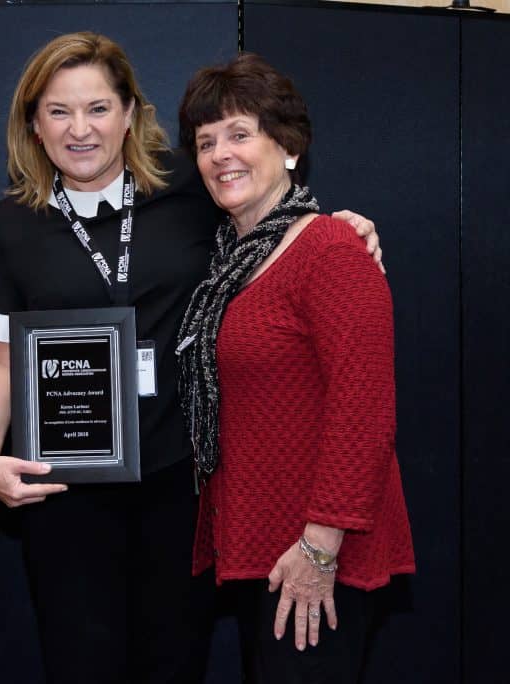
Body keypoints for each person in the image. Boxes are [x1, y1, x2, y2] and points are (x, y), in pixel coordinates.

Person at [0, 32, 382, 684]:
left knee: (175, 664)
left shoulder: (191, 187)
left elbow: (274, 230)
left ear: (131, 113)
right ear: (33, 125)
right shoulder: (12, 223)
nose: (81, 129)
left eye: (99, 108)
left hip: (183, 489)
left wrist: (345, 228)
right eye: (59, 111)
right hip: (65, 498)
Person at [176, 53, 415, 683]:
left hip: (316, 556)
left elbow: (364, 413)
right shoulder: (231, 264)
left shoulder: (331, 248)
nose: (221, 154)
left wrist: (320, 546)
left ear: (287, 146)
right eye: (206, 142)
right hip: (262, 547)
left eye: (239, 134)